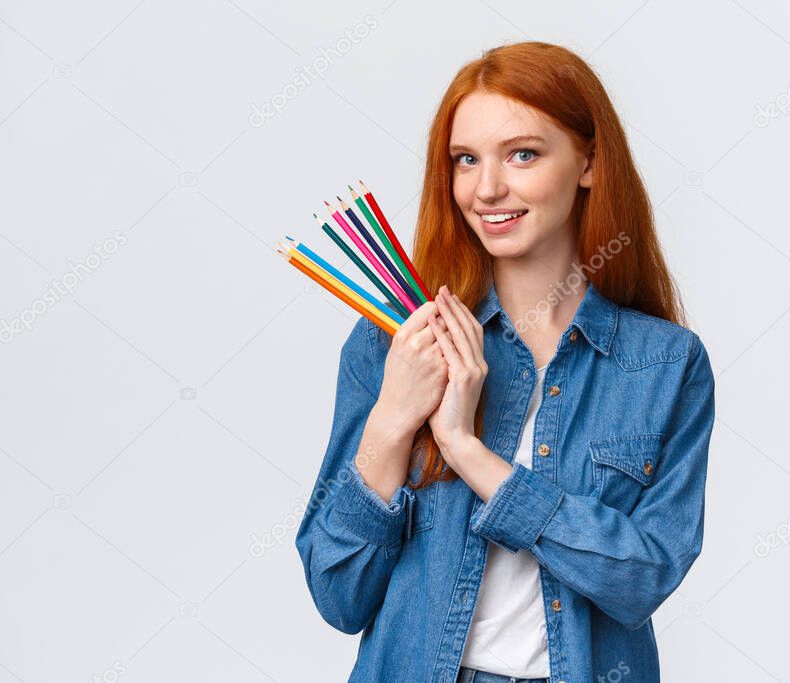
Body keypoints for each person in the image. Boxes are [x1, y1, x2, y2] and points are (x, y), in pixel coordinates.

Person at [295, 41, 715, 683]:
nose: (487, 188)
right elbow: (339, 597)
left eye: (523, 154)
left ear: (590, 162)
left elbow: (643, 577)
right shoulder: (393, 343)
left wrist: (466, 449)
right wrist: (391, 420)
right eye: (466, 160)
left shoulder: (664, 364)